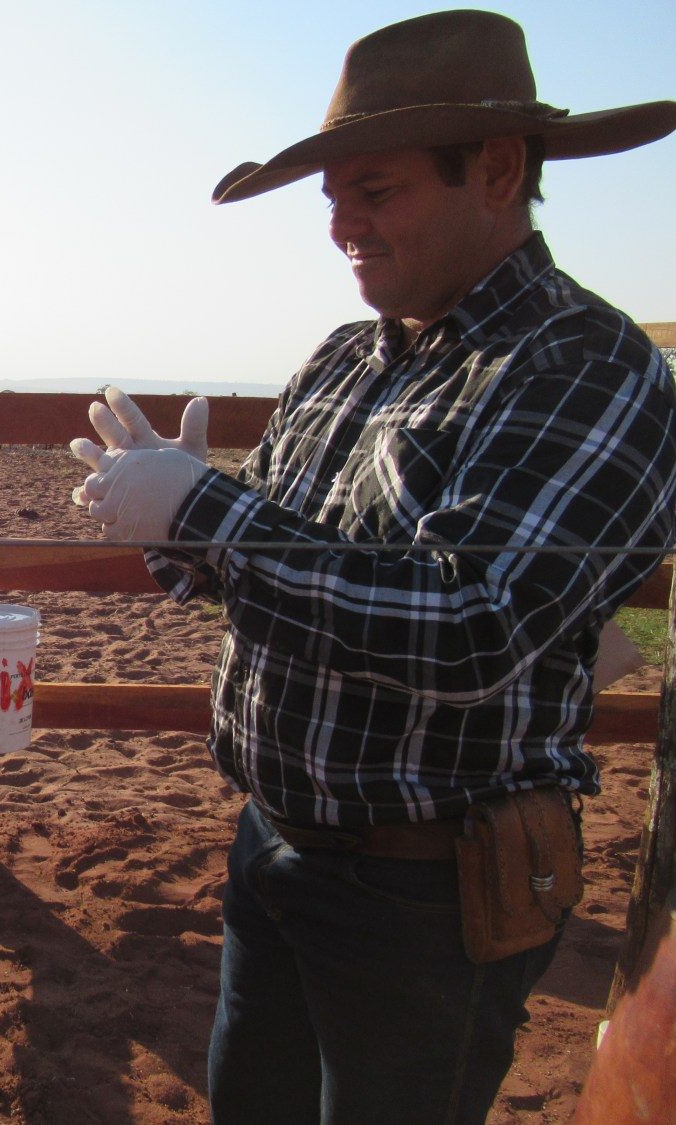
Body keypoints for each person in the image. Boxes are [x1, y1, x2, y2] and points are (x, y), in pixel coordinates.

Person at [71, 10, 676, 1123]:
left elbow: (473, 625)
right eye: (334, 198)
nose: (343, 224)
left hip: (430, 893)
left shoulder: (586, 366)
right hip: (275, 846)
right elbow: (279, 576)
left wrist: (212, 515)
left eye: (377, 190)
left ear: (497, 172)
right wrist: (187, 530)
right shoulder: (348, 359)